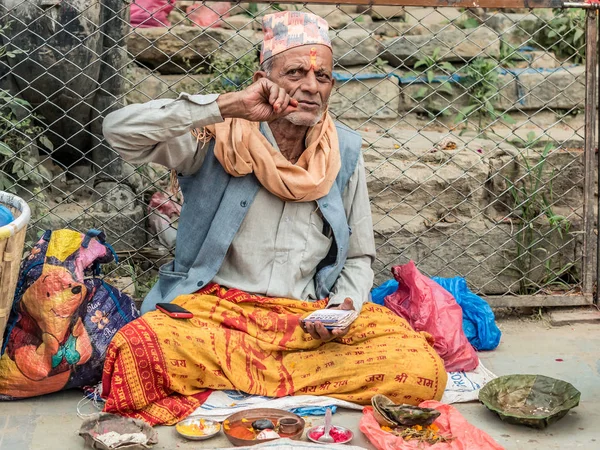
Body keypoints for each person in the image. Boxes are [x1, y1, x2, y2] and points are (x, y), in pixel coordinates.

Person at [101, 11, 447, 426]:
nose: (310, 86)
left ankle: (247, 384)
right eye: (296, 72)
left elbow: (357, 257)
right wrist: (225, 105)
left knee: (422, 367)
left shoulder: (345, 153)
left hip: (304, 322)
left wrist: (343, 307)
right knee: (136, 348)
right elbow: (118, 130)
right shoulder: (217, 136)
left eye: (323, 77)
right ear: (262, 78)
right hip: (217, 317)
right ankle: (287, 385)